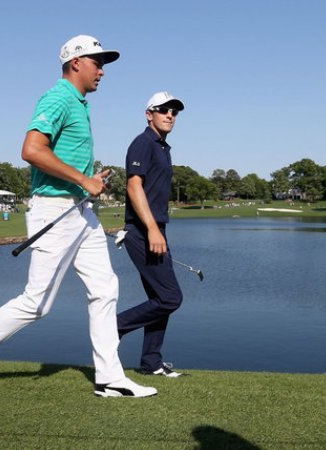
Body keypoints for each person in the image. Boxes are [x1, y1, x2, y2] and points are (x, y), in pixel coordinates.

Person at [0, 35, 157, 398]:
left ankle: (109, 378)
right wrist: (81, 180)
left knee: (106, 287)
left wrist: (89, 181)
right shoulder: (59, 97)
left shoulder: (80, 103)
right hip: (55, 211)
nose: (102, 71)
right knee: (38, 302)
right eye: (97, 62)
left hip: (80, 212)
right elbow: (30, 149)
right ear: (75, 62)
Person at [116, 91, 186, 377]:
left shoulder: (162, 147)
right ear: (149, 114)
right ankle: (113, 328)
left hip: (155, 230)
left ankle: (151, 362)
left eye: (174, 111)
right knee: (171, 298)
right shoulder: (143, 143)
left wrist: (159, 230)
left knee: (160, 298)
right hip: (143, 231)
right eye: (163, 110)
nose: (170, 115)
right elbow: (133, 188)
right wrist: (153, 230)